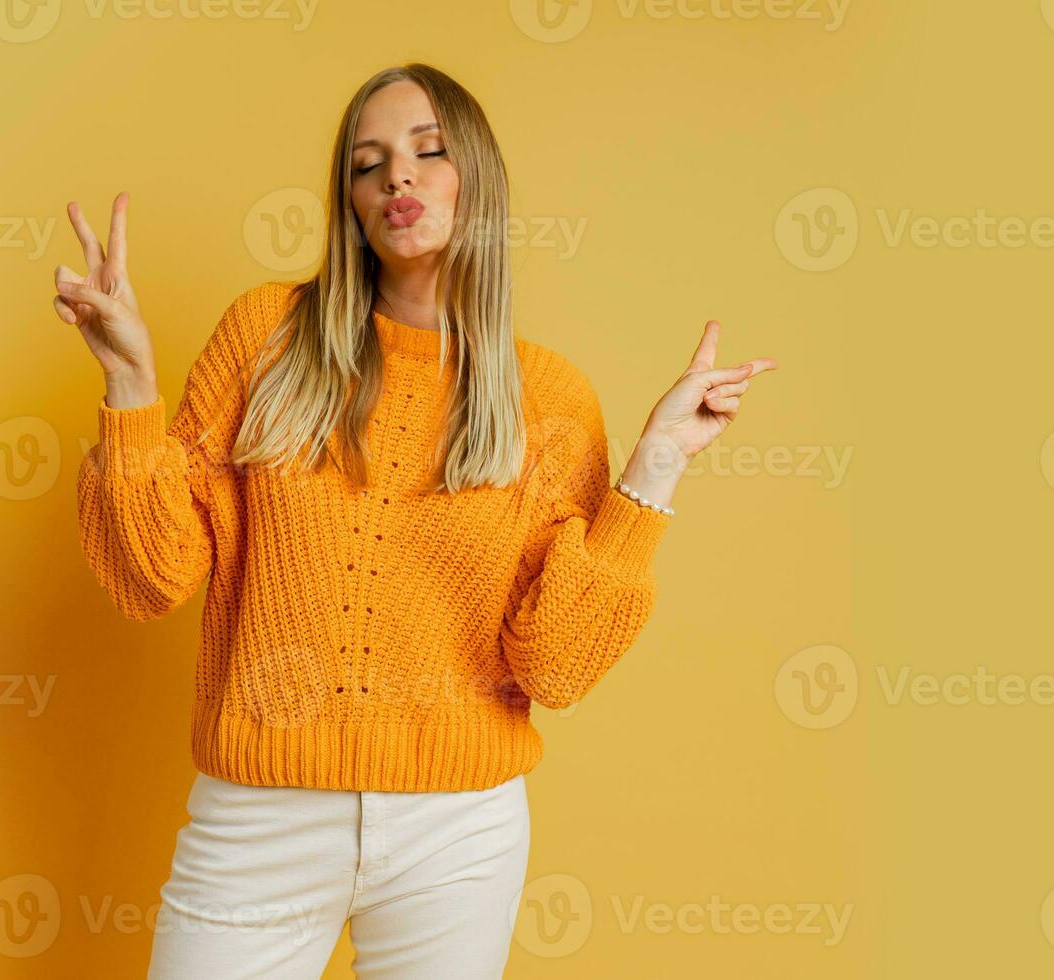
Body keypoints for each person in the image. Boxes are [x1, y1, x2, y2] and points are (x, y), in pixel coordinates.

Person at [53, 62, 776, 979]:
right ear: (350, 203)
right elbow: (149, 573)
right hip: (261, 811)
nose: (397, 177)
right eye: (369, 164)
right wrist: (130, 386)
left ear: (476, 176)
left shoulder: (546, 397)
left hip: (459, 829)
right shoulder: (265, 337)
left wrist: (656, 467)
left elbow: (554, 665)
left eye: (428, 153)